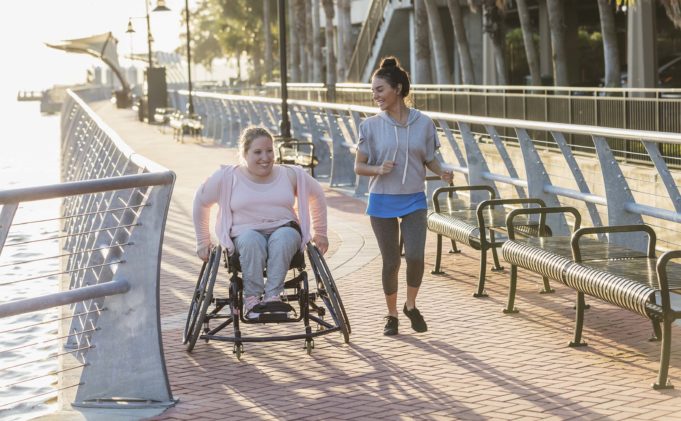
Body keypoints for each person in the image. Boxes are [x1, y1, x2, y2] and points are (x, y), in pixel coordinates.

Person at [354, 57, 453, 336]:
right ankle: (392, 314)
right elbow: (358, 166)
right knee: (391, 261)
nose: (375, 96)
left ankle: (411, 305)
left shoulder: (424, 123)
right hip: (382, 199)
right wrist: (378, 168)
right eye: (373, 91)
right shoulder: (370, 126)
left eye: (380, 90)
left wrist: (442, 171)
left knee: (417, 257)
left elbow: (430, 158)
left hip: (413, 199)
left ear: (397, 89)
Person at [193, 126, 328, 319]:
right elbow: (200, 201)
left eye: (269, 151)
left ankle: (273, 297)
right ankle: (252, 299)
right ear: (244, 153)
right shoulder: (227, 177)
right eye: (257, 152)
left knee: (284, 237)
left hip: (284, 228)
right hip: (244, 234)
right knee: (251, 240)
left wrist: (320, 233)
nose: (265, 157)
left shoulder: (289, 174)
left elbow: (317, 196)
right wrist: (202, 241)